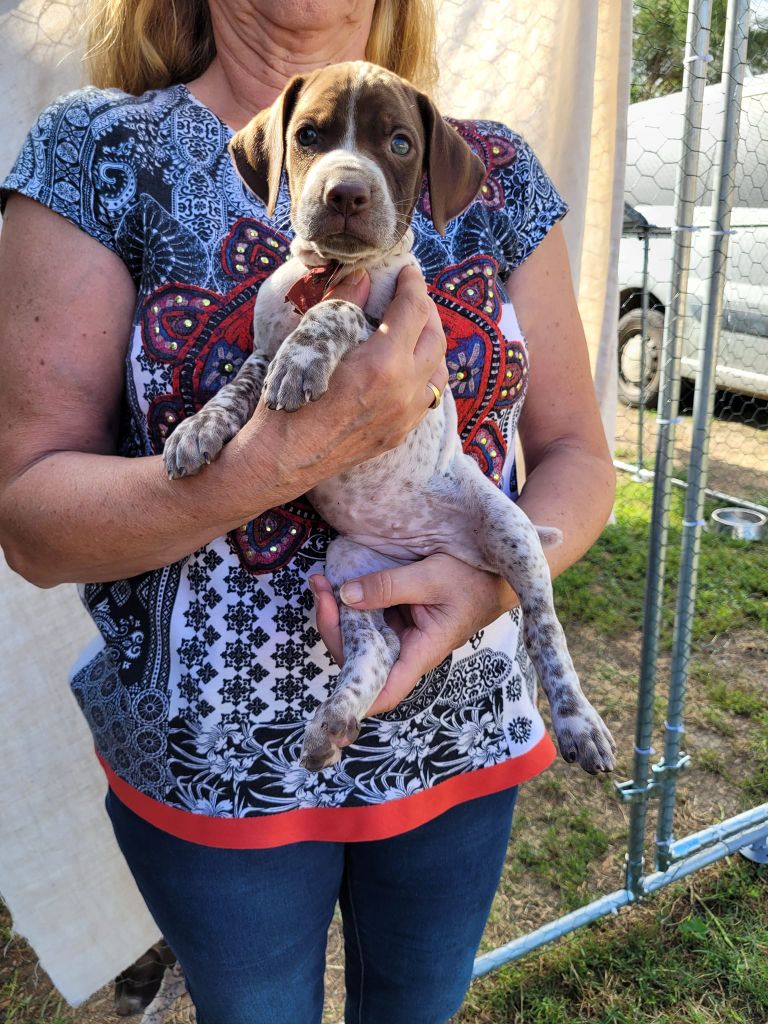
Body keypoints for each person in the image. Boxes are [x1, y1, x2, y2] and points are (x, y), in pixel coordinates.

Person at [0, 1, 615, 1021]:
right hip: (215, 771)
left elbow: (578, 455)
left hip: (456, 739)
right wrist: (275, 461)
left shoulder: (490, 168)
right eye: (321, 141)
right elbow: (28, 517)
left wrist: (484, 583)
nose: (349, 167)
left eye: (385, 148)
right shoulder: (97, 153)